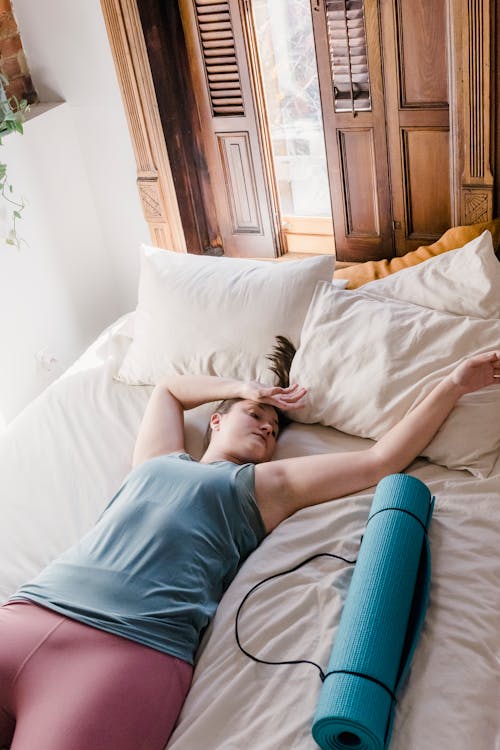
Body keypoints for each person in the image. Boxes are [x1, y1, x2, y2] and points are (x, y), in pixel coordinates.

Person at [0, 347, 499, 750]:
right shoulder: (156, 459)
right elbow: (170, 390)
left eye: (275, 427)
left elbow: (379, 460)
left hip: (126, 653)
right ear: (215, 421)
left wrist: (454, 383)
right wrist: (245, 388)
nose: (266, 426)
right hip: (28, 613)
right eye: (255, 416)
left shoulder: (262, 485)